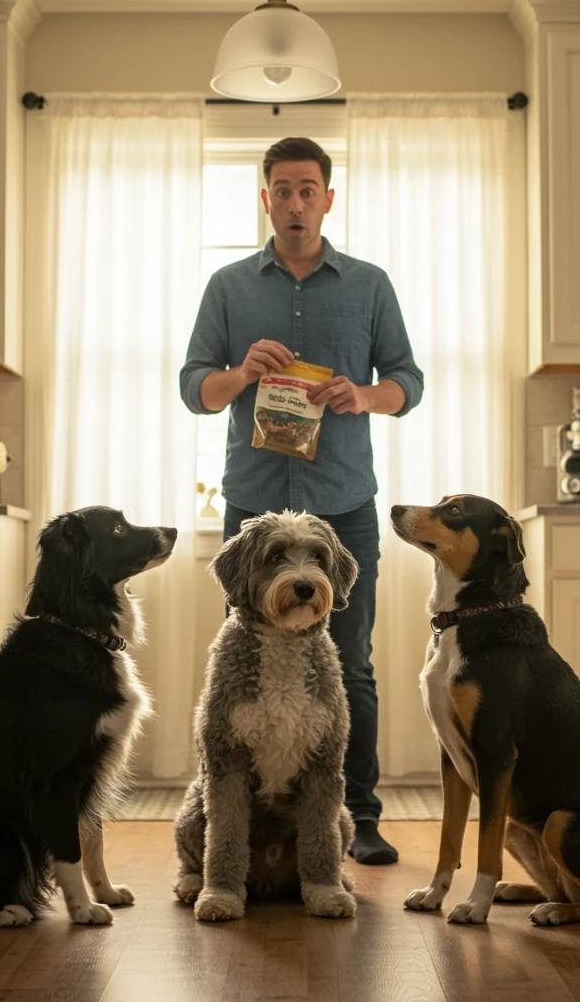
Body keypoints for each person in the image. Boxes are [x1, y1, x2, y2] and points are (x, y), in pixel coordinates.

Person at [180, 137, 424, 865]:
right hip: (254, 511)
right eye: (282, 190)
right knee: (244, 667)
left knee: (351, 666)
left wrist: (364, 395)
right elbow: (194, 388)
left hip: (342, 507)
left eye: (307, 190)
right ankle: (245, 823)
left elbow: (408, 383)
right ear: (265, 199)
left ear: (328, 198)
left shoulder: (370, 285)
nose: (295, 203)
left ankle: (360, 817)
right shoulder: (227, 286)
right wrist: (239, 374)